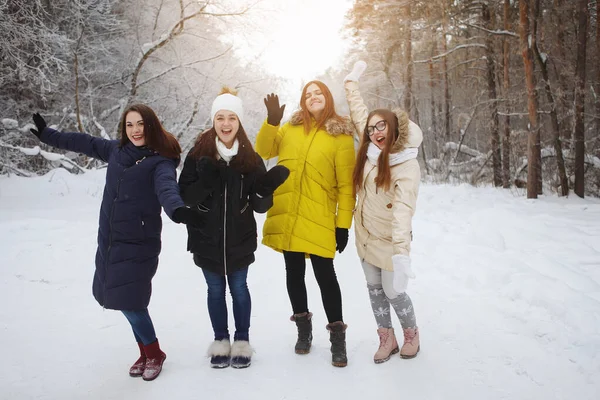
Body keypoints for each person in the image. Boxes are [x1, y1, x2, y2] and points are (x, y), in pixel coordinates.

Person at [28, 105, 204, 381]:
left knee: (130, 302)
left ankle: (154, 353)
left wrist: (178, 210)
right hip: (110, 240)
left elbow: (167, 188)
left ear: (152, 126)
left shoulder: (161, 162)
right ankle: (146, 351)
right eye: (130, 124)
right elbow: (83, 142)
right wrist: (49, 135)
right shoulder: (117, 152)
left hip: (139, 242)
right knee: (126, 299)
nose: (135, 130)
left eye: (141, 124)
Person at [178, 88, 289, 369]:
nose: (226, 124)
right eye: (220, 118)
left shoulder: (250, 158)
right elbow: (185, 197)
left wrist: (264, 189)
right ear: (213, 121)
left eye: (231, 118)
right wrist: (205, 183)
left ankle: (241, 341)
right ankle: (220, 341)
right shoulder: (197, 154)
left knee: (239, 288)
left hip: (240, 238)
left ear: (239, 122)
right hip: (206, 238)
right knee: (215, 290)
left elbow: (260, 206)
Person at [255, 81, 356, 367]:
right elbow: (262, 150)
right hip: (288, 213)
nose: (313, 97)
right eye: (308, 94)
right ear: (303, 101)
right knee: (294, 272)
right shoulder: (289, 128)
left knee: (326, 276)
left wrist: (343, 224)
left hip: (320, 216)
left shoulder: (341, 136)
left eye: (318, 92)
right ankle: (303, 331)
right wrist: (272, 122)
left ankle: (338, 339)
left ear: (328, 98)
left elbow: (347, 186)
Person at [344, 61, 423, 363]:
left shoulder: (406, 164)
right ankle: (386, 338)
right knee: (375, 290)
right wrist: (351, 83)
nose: (375, 131)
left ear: (394, 127)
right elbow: (358, 112)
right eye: (372, 127)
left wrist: (402, 254)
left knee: (394, 292)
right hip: (365, 236)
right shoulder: (370, 150)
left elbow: (404, 211)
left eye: (382, 126)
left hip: (391, 242)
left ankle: (411, 334)